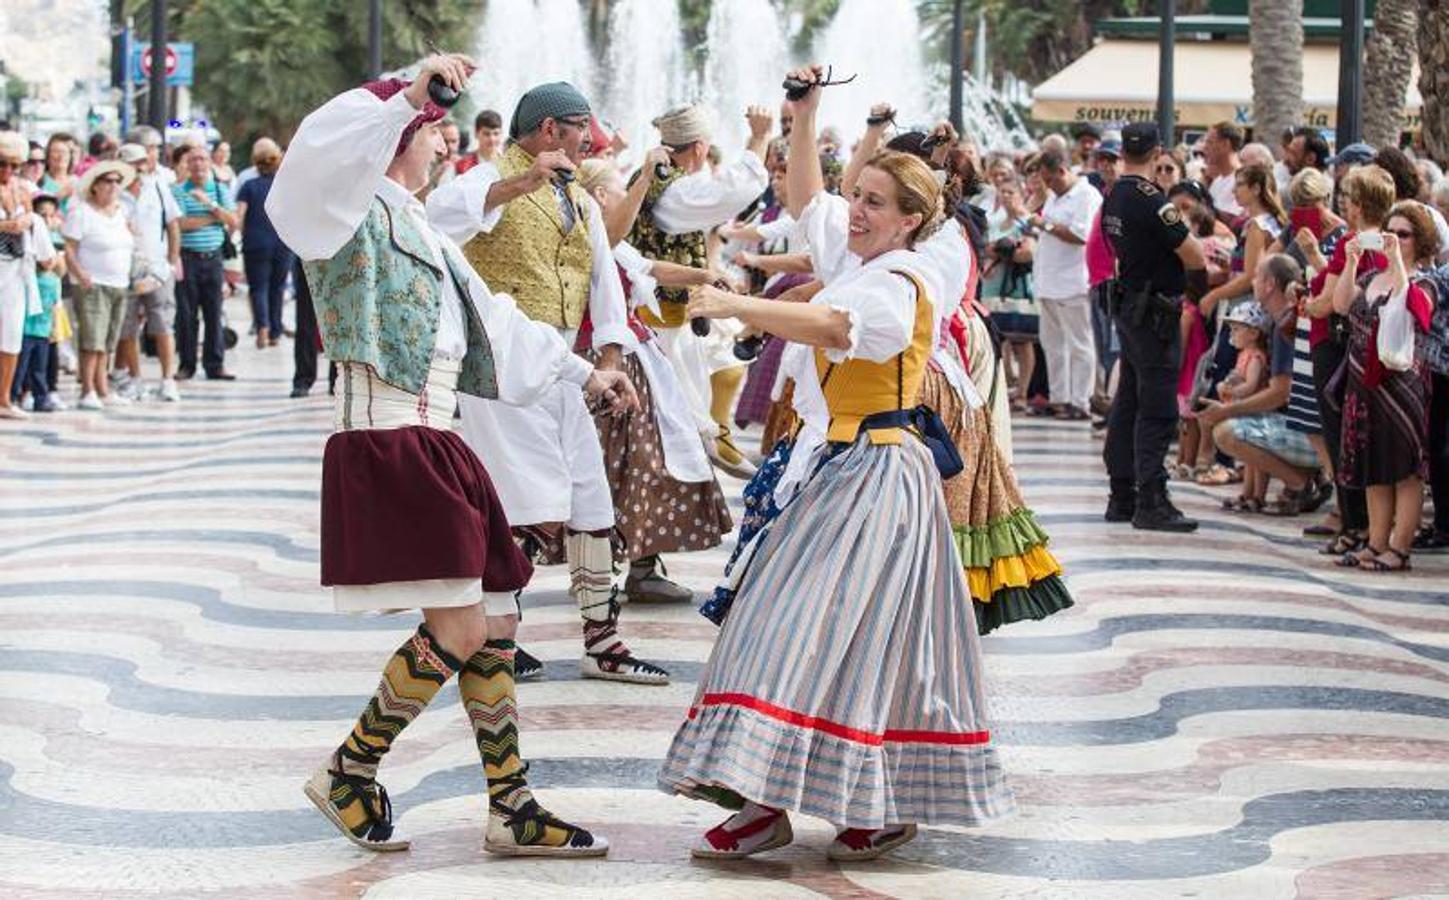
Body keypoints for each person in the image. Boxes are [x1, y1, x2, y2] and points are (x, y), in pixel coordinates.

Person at [267, 54, 632, 858]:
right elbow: (314, 158)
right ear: (403, 138)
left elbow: (497, 321)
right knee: (465, 624)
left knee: (497, 618)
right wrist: (405, 91)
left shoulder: (425, 228)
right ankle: (349, 770)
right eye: (436, 138)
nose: (445, 151)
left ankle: (512, 808)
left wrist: (588, 374)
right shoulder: (345, 209)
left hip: (440, 439)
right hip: (389, 436)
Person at [659, 64, 1011, 863]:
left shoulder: (911, 277)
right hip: (834, 467)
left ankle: (846, 804)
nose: (856, 209)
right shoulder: (868, 261)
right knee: (784, 628)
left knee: (826, 636)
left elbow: (834, 326)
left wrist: (736, 304)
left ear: (912, 219)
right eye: (860, 195)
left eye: (875, 202)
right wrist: (802, 111)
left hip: (878, 475)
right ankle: (767, 797)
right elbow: (807, 201)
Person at [427, 80, 673, 683]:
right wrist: (522, 183)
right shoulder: (487, 180)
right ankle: (492, 631)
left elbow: (603, 283)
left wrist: (611, 361)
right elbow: (438, 218)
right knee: (531, 500)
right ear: (547, 131)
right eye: (581, 128)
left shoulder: (581, 200)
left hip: (567, 362)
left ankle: (602, 641)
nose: (591, 141)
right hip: (504, 363)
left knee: (590, 497)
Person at [625, 102, 773, 476]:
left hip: (670, 309)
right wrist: (758, 138)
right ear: (699, 147)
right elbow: (735, 189)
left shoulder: (667, 181)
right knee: (674, 410)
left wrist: (709, 272)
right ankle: (707, 445)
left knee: (725, 357)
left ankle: (714, 438)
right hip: (654, 315)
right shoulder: (673, 190)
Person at [1100, 122, 1208, 532]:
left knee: (1128, 401)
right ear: (1158, 151)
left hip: (1130, 307)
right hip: (1155, 314)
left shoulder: (1113, 197)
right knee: (1157, 407)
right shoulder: (1150, 200)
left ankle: (1121, 492)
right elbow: (1194, 254)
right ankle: (1151, 499)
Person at [1329, 201, 1438, 571]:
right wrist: (1350, 261)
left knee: (1405, 469)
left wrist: (1398, 265)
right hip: (1362, 383)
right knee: (1372, 465)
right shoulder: (1369, 278)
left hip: (1403, 385)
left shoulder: (1425, 281)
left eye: (1403, 235)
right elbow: (1341, 305)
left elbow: (1415, 311)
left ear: (1419, 240)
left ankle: (1400, 547)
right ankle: (1376, 542)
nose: (1395, 241)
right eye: (1390, 233)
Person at [1302, 164, 1393, 556]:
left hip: (1335, 345)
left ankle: (1353, 523)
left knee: (1341, 437)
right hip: (1362, 348)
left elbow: (1331, 302)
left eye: (1347, 198)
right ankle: (1362, 523)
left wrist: (1311, 303)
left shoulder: (1352, 242)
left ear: (1357, 204)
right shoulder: (1386, 242)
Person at [1201, 257, 1324, 516]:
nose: (1252, 281)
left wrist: (1226, 411)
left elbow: (1281, 392)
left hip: (1314, 437)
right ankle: (1273, 488)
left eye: (1257, 276)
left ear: (1270, 284)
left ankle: (1301, 484)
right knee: (1244, 421)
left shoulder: (1285, 326)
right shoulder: (1281, 321)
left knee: (1227, 431)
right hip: (1310, 432)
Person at [1029, 149, 1100, 420]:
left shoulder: (1086, 195)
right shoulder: (1054, 197)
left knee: (1080, 344)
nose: (1048, 185)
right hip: (1049, 280)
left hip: (1073, 281)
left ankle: (1081, 401)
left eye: (1051, 179)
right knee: (1052, 344)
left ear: (1063, 170)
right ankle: (1059, 397)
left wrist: (1045, 225)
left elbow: (1082, 235)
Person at [62, 158, 137, 410]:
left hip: (119, 282)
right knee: (91, 338)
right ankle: (88, 390)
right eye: (108, 181)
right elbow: (69, 249)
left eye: (117, 181)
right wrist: (80, 274)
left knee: (108, 339)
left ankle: (103, 387)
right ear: (95, 185)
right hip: (93, 283)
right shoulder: (81, 212)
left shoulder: (121, 212)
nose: (113, 186)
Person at [113, 140, 183, 402]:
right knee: (127, 327)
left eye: (140, 162)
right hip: (125, 268)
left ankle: (167, 380)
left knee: (163, 324)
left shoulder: (159, 188)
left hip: (157, 268)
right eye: (131, 163)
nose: (137, 168)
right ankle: (135, 379)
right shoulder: (114, 192)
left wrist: (170, 262)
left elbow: (173, 226)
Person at [172, 142, 239, 380]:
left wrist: (209, 205)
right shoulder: (178, 191)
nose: (198, 164)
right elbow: (180, 223)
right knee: (186, 315)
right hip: (188, 258)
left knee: (214, 312)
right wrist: (213, 219)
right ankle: (186, 364)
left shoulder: (219, 189)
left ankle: (215, 364)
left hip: (213, 259)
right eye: (193, 160)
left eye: (202, 159)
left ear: (209, 163)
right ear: (187, 165)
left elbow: (233, 220)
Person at [0, 131, 52, 418]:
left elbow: (32, 221)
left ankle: (4, 399)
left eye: (12, 164)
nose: (7, 170)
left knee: (11, 335)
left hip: (16, 268)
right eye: (1, 164)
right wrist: (5, 226)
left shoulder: (22, 190)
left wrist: (27, 221)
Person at [981, 174, 1038, 410]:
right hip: (993, 285)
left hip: (1018, 287)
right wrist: (999, 250)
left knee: (1022, 341)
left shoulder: (1027, 221)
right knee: (997, 339)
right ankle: (1000, 389)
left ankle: (1023, 392)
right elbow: (984, 246)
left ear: (1021, 194)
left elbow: (1028, 253)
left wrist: (1003, 252)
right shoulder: (994, 220)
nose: (1005, 197)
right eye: (1002, 192)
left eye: (1010, 192)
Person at [1211, 301, 1272, 509]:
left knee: (1257, 458)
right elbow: (1238, 377)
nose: (1232, 335)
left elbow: (1251, 385)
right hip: (1246, 411)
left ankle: (1258, 495)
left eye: (1237, 330)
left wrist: (1232, 391)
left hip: (1256, 412)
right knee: (1249, 459)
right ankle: (1247, 493)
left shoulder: (1255, 357)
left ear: (1254, 333)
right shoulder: (1243, 355)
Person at [235, 138, 292, 348]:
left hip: (255, 244)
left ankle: (262, 327)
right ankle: (276, 331)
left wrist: (240, 234)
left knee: (258, 288)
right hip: (282, 244)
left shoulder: (248, 187)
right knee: (278, 288)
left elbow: (240, 215)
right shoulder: (284, 187)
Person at [12, 192, 64, 412]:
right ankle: (14, 396)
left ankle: (41, 397)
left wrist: (55, 321)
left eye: (51, 216)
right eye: (42, 215)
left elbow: (58, 275)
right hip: (25, 322)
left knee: (41, 365)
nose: (47, 220)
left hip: (44, 323)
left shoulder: (56, 244)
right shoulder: (26, 247)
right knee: (20, 364)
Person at [1203, 121, 1245, 219]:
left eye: (1210, 142)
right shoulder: (1217, 181)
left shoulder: (1242, 180)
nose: (1205, 147)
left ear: (1226, 144)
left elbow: (1236, 219)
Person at [456, 109, 504, 176]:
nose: (492, 139)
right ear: (476, 134)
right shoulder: (461, 166)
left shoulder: (509, 165)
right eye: (486, 134)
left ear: (501, 133)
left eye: (496, 134)